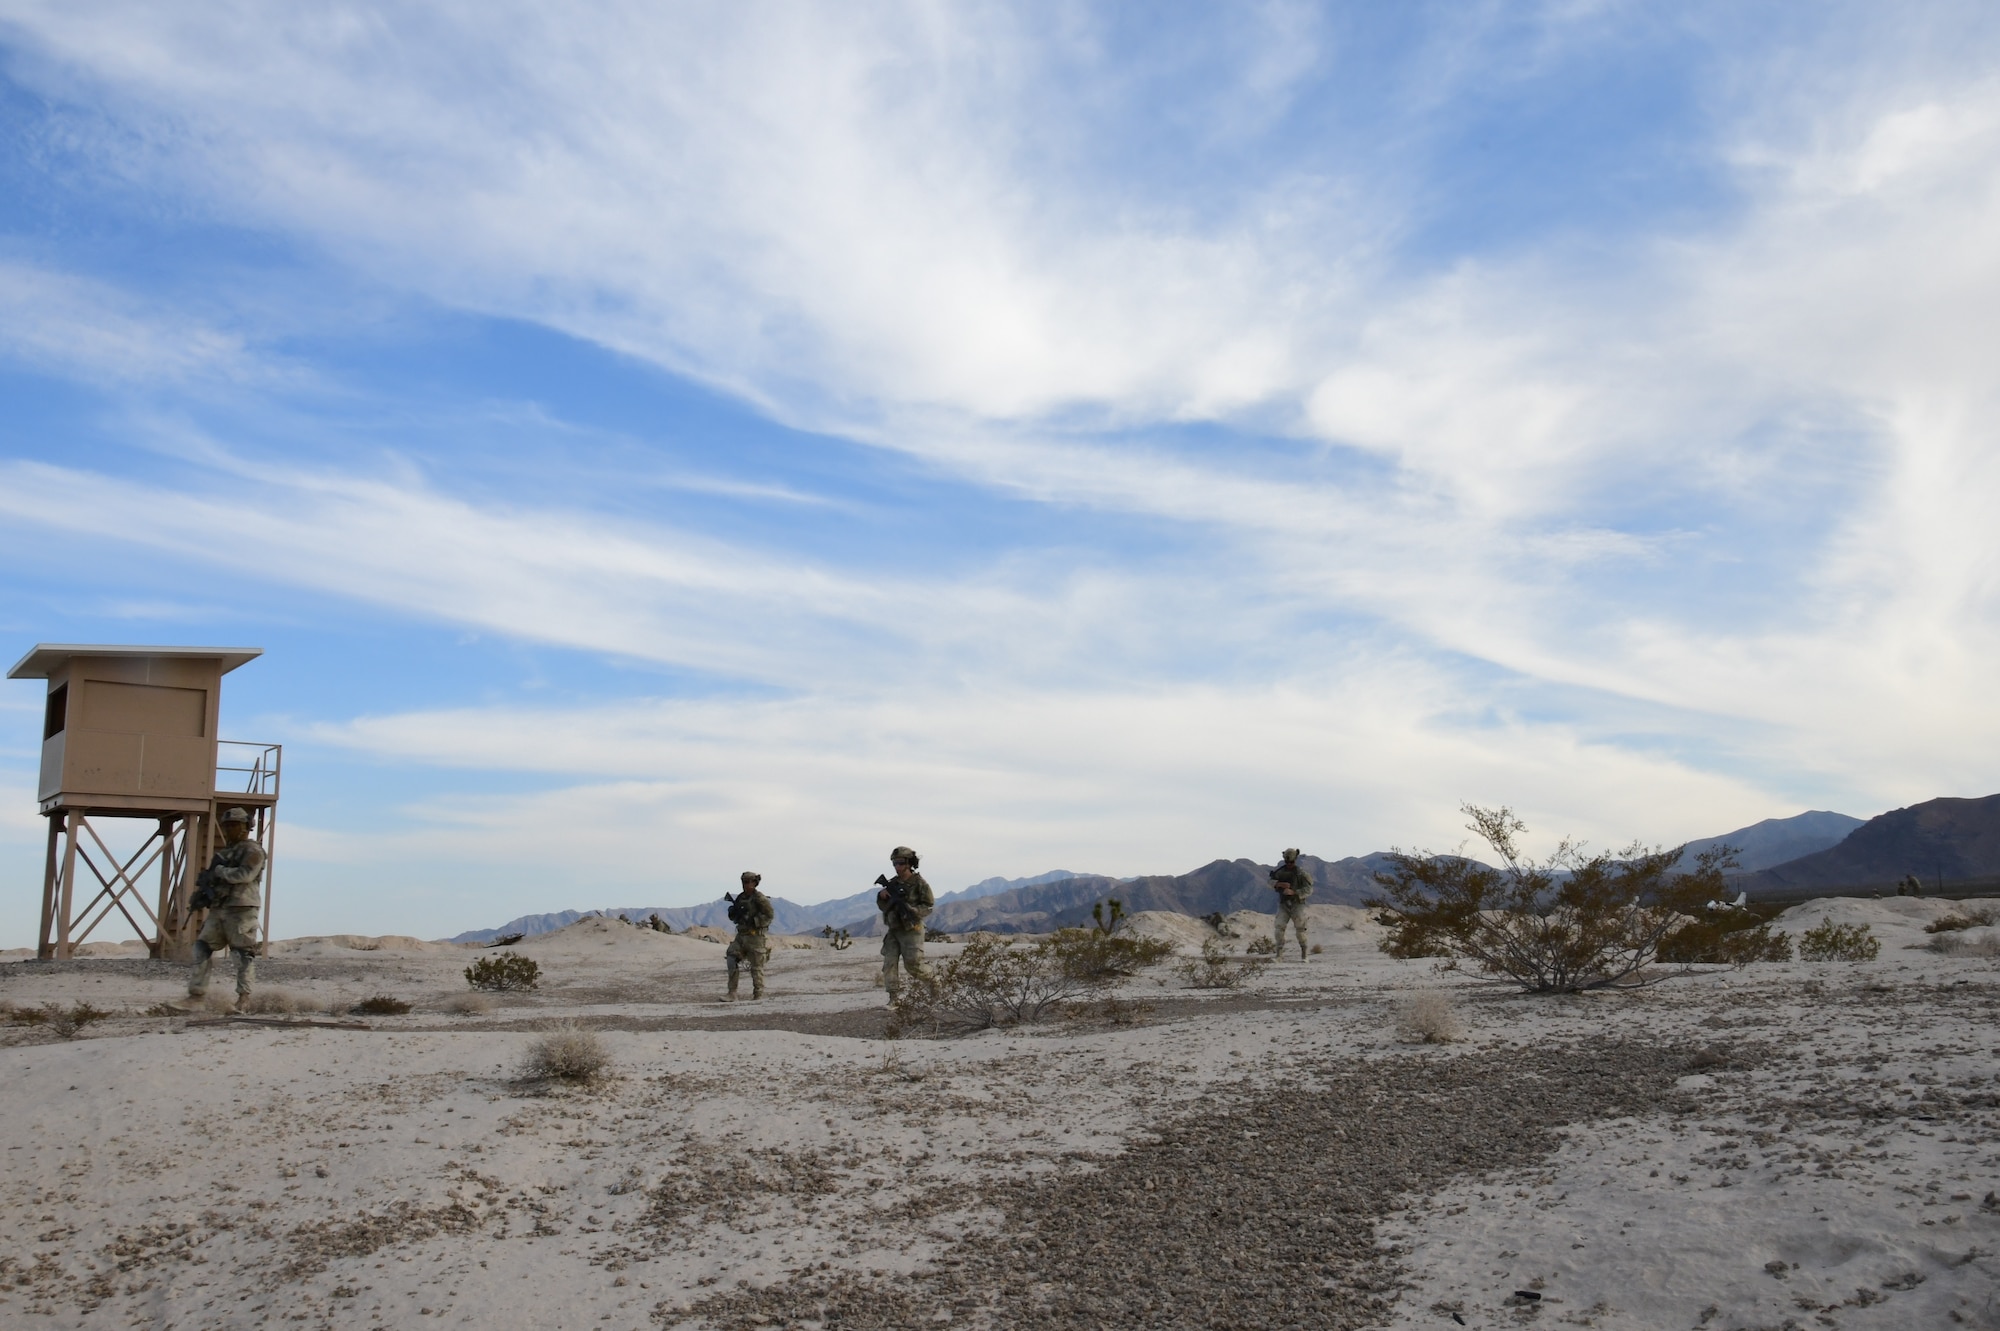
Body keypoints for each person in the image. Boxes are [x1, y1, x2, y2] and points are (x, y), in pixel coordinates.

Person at [186, 807, 267, 1007]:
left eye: (234, 825)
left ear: (245, 827)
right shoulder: (224, 853)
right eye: (227, 825)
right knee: (201, 948)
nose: (229, 829)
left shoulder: (253, 850)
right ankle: (196, 996)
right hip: (220, 908)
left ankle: (244, 998)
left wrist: (220, 871)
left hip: (242, 908)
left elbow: (245, 875)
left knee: (242, 953)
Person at [875, 846, 935, 1004]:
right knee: (889, 963)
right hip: (894, 929)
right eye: (895, 863)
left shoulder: (919, 883)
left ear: (909, 863)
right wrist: (882, 896)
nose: (897, 866)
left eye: (900, 863)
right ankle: (893, 998)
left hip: (912, 929)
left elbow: (928, 906)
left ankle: (934, 980)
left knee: (913, 965)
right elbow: (884, 906)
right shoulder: (893, 883)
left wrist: (913, 910)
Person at [724, 872, 775, 1000]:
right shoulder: (741, 898)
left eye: (747, 882)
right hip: (742, 936)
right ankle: (732, 993)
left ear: (754, 883)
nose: (745, 885)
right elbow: (734, 917)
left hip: (755, 937)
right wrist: (734, 913)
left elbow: (769, 915)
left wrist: (754, 921)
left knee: (756, 967)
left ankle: (758, 994)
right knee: (731, 957)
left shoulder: (759, 898)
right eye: (743, 882)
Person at [1269, 847, 1313, 961]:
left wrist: (1294, 892)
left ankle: (1304, 954)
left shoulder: (1301, 873)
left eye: (1291, 862)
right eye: (1287, 862)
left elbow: (1309, 889)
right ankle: (1279, 955)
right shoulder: (1280, 872)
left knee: (1300, 930)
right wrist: (1279, 884)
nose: (1289, 864)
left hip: (1297, 904)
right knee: (1279, 928)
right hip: (1284, 904)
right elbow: (1269, 882)